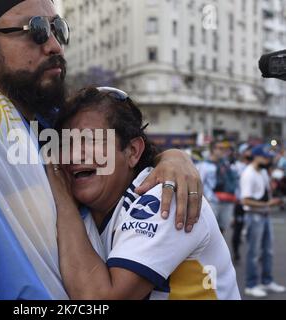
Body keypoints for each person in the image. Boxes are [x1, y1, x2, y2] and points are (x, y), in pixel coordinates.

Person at [0, 0, 203, 299]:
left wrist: (171, 158)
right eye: (36, 30)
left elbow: (119, 146)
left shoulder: (37, 121)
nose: (55, 45)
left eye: (57, 28)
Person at [47, 87, 240, 300]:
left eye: (92, 140)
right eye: (66, 143)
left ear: (133, 152)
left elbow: (99, 300)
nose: (74, 153)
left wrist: (62, 199)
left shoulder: (166, 195)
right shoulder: (84, 206)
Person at [241, 144, 286, 298]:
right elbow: (245, 201)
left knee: (268, 251)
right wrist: (269, 204)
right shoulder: (249, 174)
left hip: (264, 215)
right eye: (265, 157)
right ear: (256, 157)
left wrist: (272, 200)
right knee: (254, 253)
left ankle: (267, 281)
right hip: (254, 216)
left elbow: (265, 193)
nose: (268, 160)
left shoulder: (262, 172)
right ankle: (251, 284)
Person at [198, 140, 238, 234]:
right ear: (213, 149)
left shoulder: (227, 164)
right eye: (220, 148)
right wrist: (205, 200)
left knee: (222, 228)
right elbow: (200, 183)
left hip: (227, 200)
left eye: (224, 149)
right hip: (212, 201)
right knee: (211, 229)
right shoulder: (205, 165)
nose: (223, 151)